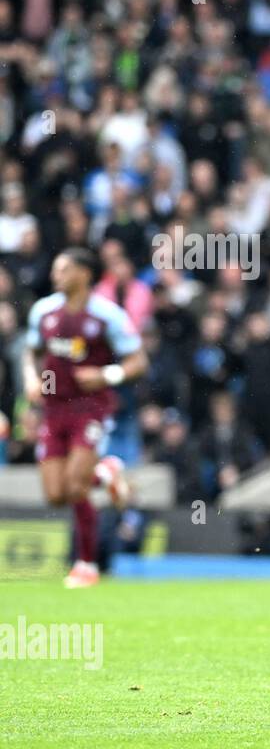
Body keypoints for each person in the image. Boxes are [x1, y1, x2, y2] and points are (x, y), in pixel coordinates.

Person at [22, 248, 148, 588]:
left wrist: (107, 375)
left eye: (63, 269)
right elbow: (30, 352)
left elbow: (138, 361)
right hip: (53, 408)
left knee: (76, 486)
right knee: (56, 494)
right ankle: (105, 473)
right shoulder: (44, 311)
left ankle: (86, 565)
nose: (55, 276)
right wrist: (32, 379)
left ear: (84, 274)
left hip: (90, 408)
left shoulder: (108, 316)